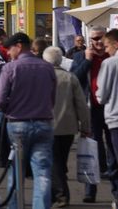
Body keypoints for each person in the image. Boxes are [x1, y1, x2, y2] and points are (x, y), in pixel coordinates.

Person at [0, 32, 57, 209]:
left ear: (19, 46)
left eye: (9, 48)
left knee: (15, 172)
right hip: (44, 122)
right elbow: (53, 98)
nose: (7, 52)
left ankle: (15, 206)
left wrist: (9, 110)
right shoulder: (47, 67)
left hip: (18, 124)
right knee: (43, 173)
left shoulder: (10, 68)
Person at [71, 26, 115, 202]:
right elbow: (73, 79)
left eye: (100, 38)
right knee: (92, 149)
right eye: (94, 39)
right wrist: (87, 61)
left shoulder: (113, 56)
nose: (97, 42)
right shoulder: (81, 56)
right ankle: (90, 190)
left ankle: (115, 190)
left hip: (110, 107)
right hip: (91, 108)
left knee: (113, 150)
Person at [42, 46, 90, 207]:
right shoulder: (70, 77)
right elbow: (81, 104)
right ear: (61, 59)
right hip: (69, 128)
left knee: (54, 162)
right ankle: (56, 194)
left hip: (48, 125)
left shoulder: (41, 77)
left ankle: (61, 195)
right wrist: (86, 126)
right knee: (60, 161)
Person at [96, 29, 118, 207]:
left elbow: (102, 95)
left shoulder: (110, 63)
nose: (106, 50)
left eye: (107, 46)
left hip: (115, 118)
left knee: (115, 160)